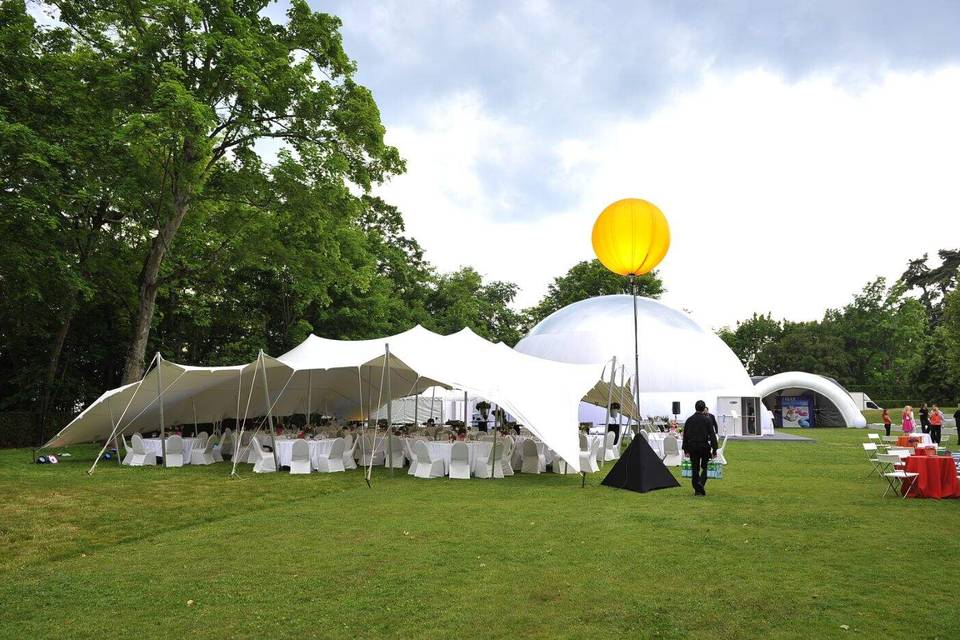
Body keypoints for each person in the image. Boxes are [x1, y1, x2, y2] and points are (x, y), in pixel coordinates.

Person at [682, 400, 719, 497]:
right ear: (704, 409)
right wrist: (714, 449)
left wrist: (685, 449)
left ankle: (698, 488)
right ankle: (700, 485)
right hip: (704, 447)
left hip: (693, 447)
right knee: (706, 467)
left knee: (695, 468)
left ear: (695, 408)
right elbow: (712, 435)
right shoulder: (707, 420)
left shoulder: (689, 420)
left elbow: (685, 435)